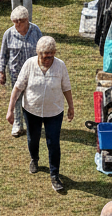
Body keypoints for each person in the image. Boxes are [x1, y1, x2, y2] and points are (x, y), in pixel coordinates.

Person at [7, 36, 74, 194]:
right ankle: (34, 159)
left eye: (50, 56)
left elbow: (66, 87)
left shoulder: (60, 66)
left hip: (54, 111)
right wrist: (10, 110)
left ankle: (55, 175)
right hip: (32, 110)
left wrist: (71, 107)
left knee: (53, 143)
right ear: (38, 53)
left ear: (54, 53)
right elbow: (17, 88)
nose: (47, 59)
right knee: (33, 138)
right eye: (44, 56)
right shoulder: (29, 64)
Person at [0, 6, 42, 138]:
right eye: (15, 21)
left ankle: (32, 124)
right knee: (17, 98)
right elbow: (3, 54)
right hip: (16, 72)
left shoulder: (35, 31)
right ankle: (17, 123)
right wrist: (1, 71)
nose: (18, 24)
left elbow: (42, 50)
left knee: (33, 97)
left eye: (21, 21)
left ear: (27, 20)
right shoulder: (9, 34)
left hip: (34, 72)